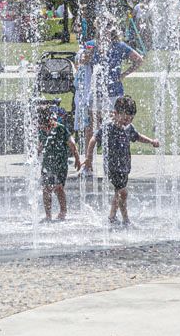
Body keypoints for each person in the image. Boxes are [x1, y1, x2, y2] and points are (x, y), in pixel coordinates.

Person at [81, 96, 159, 226]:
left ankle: (112, 216)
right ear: (115, 113)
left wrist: (151, 141)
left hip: (124, 166)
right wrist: (89, 159)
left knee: (119, 192)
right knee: (122, 192)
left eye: (130, 119)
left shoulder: (129, 128)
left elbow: (137, 136)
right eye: (124, 118)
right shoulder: (108, 127)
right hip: (112, 166)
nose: (127, 121)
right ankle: (126, 219)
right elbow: (93, 139)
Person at [37, 106, 80, 221]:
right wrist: (37, 153)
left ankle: (63, 211)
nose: (43, 127)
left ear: (49, 119)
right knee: (46, 189)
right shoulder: (41, 130)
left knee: (58, 188)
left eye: (44, 125)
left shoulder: (60, 128)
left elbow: (71, 143)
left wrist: (77, 158)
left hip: (61, 165)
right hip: (47, 165)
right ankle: (48, 215)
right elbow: (40, 145)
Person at [98, 26, 144, 109]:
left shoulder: (119, 46)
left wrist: (123, 75)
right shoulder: (96, 45)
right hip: (99, 91)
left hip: (113, 91)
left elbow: (139, 60)